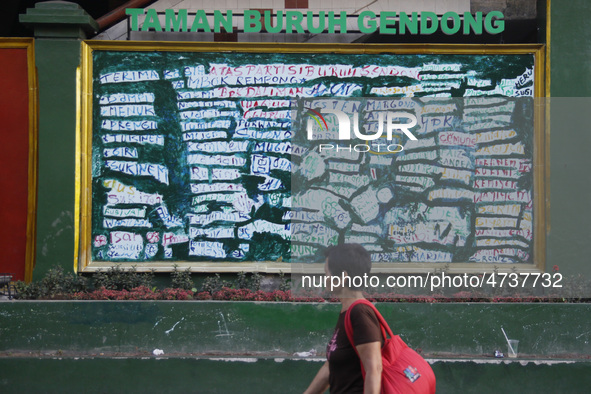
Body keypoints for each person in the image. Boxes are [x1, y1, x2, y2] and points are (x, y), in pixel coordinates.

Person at [304, 244, 383, 394]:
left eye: (327, 273)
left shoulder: (359, 312)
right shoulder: (347, 311)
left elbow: (374, 368)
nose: (325, 278)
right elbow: (331, 367)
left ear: (342, 277)